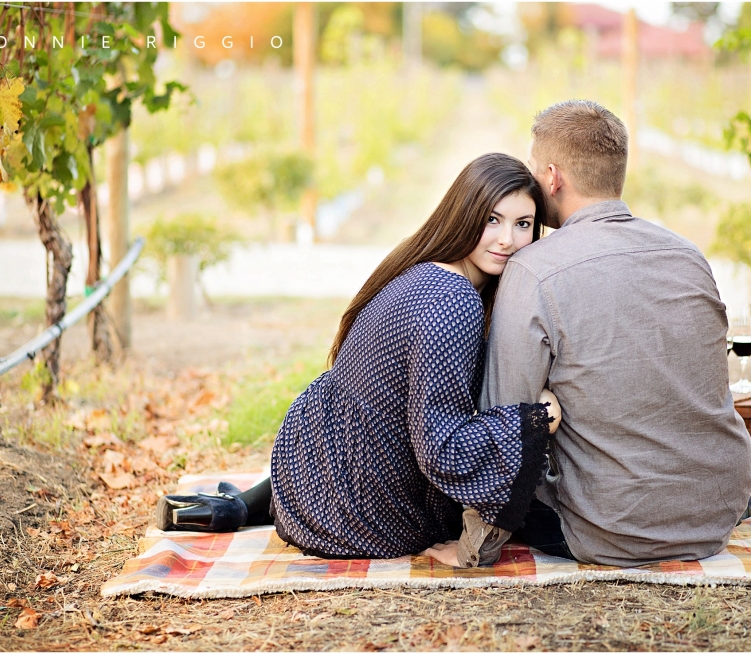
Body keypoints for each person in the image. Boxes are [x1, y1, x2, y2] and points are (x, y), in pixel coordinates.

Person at [155, 153, 561, 568]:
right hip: (366, 510)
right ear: (464, 212)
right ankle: (246, 506)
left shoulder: (420, 269)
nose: (507, 239)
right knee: (544, 520)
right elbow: (442, 448)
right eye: (492, 220)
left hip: (311, 460)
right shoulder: (453, 299)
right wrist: (537, 419)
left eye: (522, 224)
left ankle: (242, 506)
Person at [481, 100, 751, 566]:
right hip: (715, 513)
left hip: (609, 527)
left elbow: (502, 419)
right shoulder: (688, 255)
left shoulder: (533, 269)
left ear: (552, 177)